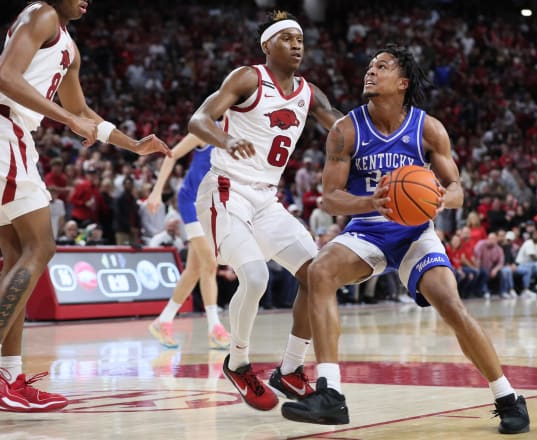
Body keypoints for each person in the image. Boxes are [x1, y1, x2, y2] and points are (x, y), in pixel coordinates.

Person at [281, 45, 530, 434]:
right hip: (368, 230)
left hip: (415, 233)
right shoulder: (345, 130)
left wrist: (437, 199)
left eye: (381, 66)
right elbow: (330, 197)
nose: (370, 71)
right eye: (369, 65)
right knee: (320, 272)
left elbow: (457, 189)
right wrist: (370, 201)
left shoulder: (427, 128)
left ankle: (507, 397)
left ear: (402, 82)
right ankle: (330, 392)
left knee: (450, 304)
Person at [0, 0, 170, 412]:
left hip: (17, 137)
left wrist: (132, 145)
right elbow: (4, 76)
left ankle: (9, 377)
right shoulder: (40, 14)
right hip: (5, 130)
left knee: (18, 254)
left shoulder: (70, 48)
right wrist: (66, 118)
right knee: (40, 248)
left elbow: (80, 111)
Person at [188, 10, 341, 411]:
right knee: (254, 276)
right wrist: (223, 139)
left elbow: (342, 128)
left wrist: (388, 140)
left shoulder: (310, 92)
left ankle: (290, 369)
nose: (296, 45)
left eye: (300, 40)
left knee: (318, 275)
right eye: (287, 38)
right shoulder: (248, 78)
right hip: (225, 189)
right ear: (267, 45)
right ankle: (238, 362)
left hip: (267, 199)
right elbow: (198, 119)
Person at [146, 133, 230, 350]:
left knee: (193, 270)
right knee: (210, 264)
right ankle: (215, 327)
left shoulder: (239, 138)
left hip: (212, 207)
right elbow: (171, 155)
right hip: (191, 202)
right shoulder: (206, 130)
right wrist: (156, 192)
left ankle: (163, 321)